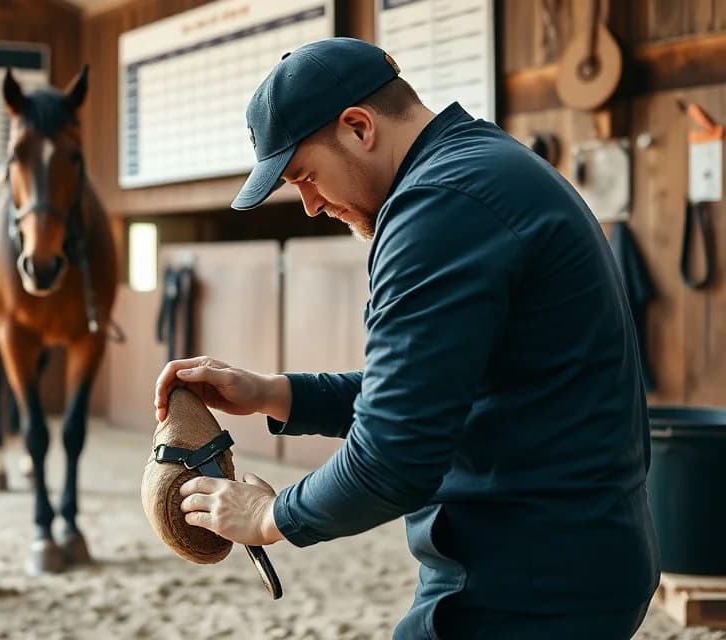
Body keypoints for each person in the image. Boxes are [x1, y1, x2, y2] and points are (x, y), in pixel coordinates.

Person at [154, 38, 659, 639]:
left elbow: (394, 454)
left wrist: (269, 515)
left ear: (358, 127)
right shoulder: (477, 166)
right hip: (569, 558)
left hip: (523, 580)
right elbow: (431, 393)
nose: (310, 205)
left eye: (306, 176)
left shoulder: (436, 207)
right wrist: (273, 393)